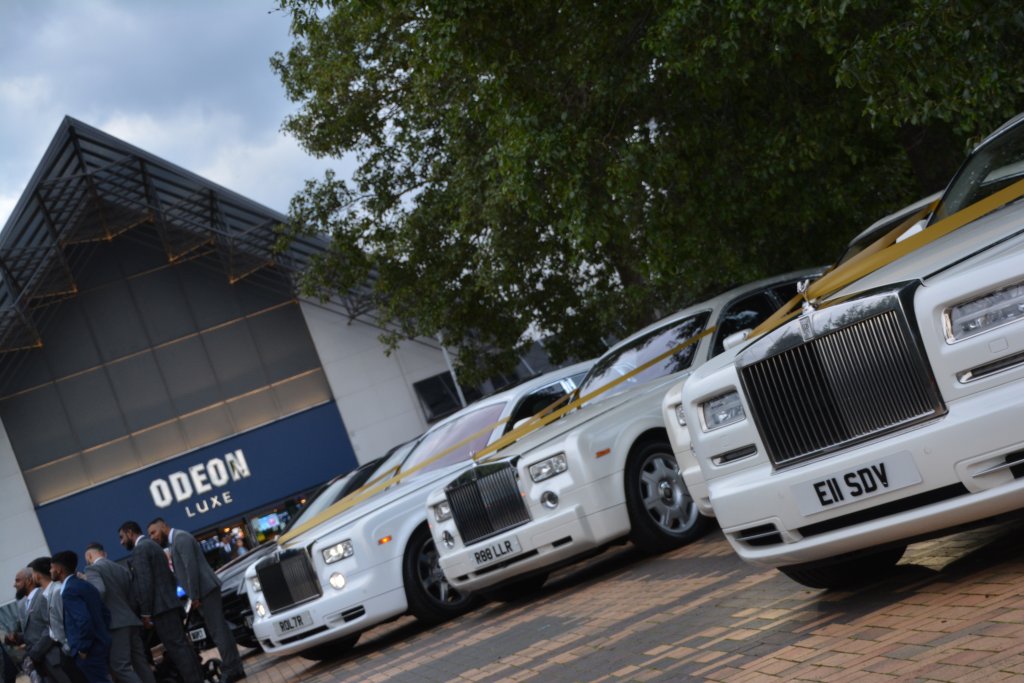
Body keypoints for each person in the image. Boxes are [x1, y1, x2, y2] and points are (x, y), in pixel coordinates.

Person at [149, 519, 245, 682]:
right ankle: (236, 668)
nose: (152, 537)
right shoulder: (175, 541)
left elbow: (190, 568)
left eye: (153, 532)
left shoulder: (181, 538)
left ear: (164, 526)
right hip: (204, 591)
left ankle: (231, 669)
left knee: (218, 632)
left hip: (205, 590)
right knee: (220, 630)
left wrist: (194, 596)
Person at [117, 521, 204, 682]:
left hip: (161, 610)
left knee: (177, 649)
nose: (121, 542)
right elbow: (170, 577)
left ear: (130, 532)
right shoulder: (153, 545)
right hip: (169, 605)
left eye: (122, 537)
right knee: (182, 646)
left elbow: (144, 584)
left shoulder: (141, 549)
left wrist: (145, 613)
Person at [83, 544, 155, 683]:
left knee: (120, 667)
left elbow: (100, 591)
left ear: (89, 556)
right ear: (103, 553)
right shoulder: (120, 568)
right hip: (132, 620)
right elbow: (133, 596)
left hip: (115, 625)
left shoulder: (91, 569)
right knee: (141, 664)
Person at [50, 551, 111, 683]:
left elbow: (83, 620)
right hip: (100, 644)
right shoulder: (84, 584)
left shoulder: (69, 590)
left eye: (52, 567)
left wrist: (83, 648)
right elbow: (105, 613)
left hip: (89, 651)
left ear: (59, 569)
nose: (50, 571)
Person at [28, 557, 83, 683]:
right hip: (66, 650)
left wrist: (72, 647)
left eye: (32, 573)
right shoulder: (46, 594)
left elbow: (67, 620)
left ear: (37, 575)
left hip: (73, 649)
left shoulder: (58, 590)